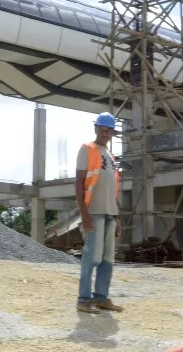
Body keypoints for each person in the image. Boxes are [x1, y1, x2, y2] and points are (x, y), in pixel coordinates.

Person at [75, 112, 123, 314]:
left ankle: (101, 297)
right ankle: (84, 299)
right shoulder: (87, 149)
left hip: (110, 213)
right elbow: (78, 183)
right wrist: (84, 213)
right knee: (92, 257)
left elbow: (112, 188)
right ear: (96, 129)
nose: (105, 133)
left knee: (107, 259)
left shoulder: (110, 156)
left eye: (108, 130)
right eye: (102, 129)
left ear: (112, 132)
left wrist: (117, 216)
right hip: (93, 212)